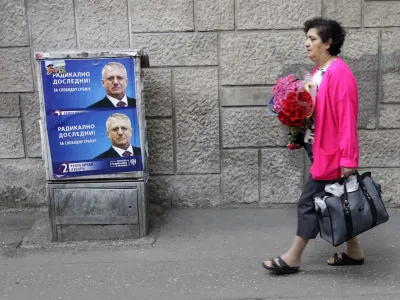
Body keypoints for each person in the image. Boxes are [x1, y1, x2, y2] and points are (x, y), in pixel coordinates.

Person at [262, 17, 364, 275]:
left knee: (309, 202)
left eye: (312, 39)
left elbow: (346, 117)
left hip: (331, 154)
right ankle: (355, 251)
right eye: (306, 38)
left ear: (328, 42)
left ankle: (293, 257)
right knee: (340, 200)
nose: (306, 43)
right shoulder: (321, 71)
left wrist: (348, 160)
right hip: (317, 147)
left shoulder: (339, 72)